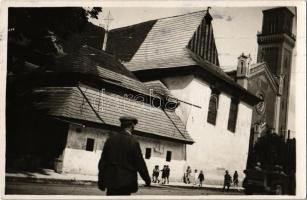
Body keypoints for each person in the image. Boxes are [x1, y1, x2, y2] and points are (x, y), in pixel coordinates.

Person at [98, 116, 151, 196]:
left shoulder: (110, 140)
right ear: (132, 126)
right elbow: (140, 164)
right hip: (126, 184)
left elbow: (102, 163)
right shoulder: (133, 142)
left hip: (111, 183)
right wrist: (147, 180)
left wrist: (101, 181)